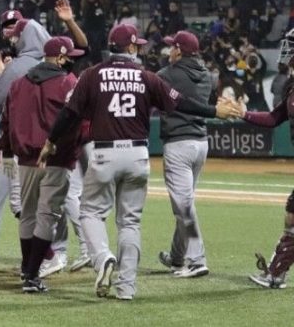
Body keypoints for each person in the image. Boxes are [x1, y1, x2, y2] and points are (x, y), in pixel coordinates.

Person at [38, 24, 240, 300]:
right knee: (130, 222)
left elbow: (69, 114)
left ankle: (103, 258)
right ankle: (126, 287)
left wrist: (51, 141)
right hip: (138, 155)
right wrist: (213, 111)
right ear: (131, 47)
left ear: (112, 47)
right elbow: (181, 103)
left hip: (105, 152)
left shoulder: (92, 74)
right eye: (137, 45)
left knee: (90, 212)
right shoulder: (147, 77)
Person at [0, 36, 85, 293]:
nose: (72, 60)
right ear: (59, 57)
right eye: (69, 56)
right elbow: (76, 121)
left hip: (25, 159)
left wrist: (5, 150)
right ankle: (32, 276)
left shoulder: (18, 84)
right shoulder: (68, 82)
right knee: (47, 216)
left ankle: (28, 269)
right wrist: (72, 150)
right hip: (55, 158)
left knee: (28, 214)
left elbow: (6, 120)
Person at [241, 28, 294, 288]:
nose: (286, 50)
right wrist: (243, 113)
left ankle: (275, 273)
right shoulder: (290, 85)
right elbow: (274, 118)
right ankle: (276, 272)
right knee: (292, 215)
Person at [156, 31, 211, 278]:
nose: (169, 52)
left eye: (172, 48)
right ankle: (177, 258)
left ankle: (197, 260)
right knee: (185, 203)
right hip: (201, 143)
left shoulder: (167, 74)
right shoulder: (207, 74)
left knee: (184, 206)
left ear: (179, 50)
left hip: (179, 143)